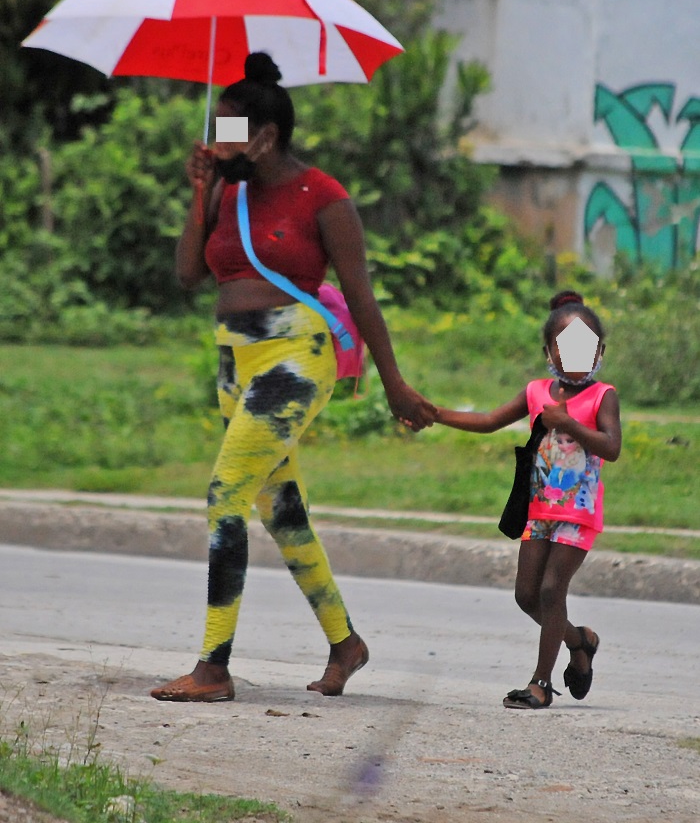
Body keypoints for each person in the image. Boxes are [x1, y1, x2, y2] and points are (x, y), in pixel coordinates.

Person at [150, 52, 436, 703]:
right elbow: (190, 274)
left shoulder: (323, 197)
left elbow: (361, 297)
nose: (214, 140)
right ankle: (346, 643)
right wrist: (199, 191)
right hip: (235, 359)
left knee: (225, 494)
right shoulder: (227, 188)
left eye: (226, 131)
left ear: (265, 137)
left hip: (296, 355)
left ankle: (213, 668)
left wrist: (394, 382)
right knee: (279, 511)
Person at [434, 291, 621, 709]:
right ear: (548, 351)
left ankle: (540, 682)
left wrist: (568, 421)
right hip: (538, 511)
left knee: (553, 591)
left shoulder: (602, 396)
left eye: (585, 345)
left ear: (599, 352)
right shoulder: (537, 391)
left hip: (578, 512)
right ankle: (580, 641)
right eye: (565, 344)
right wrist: (435, 412)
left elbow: (611, 447)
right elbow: (488, 421)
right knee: (526, 596)